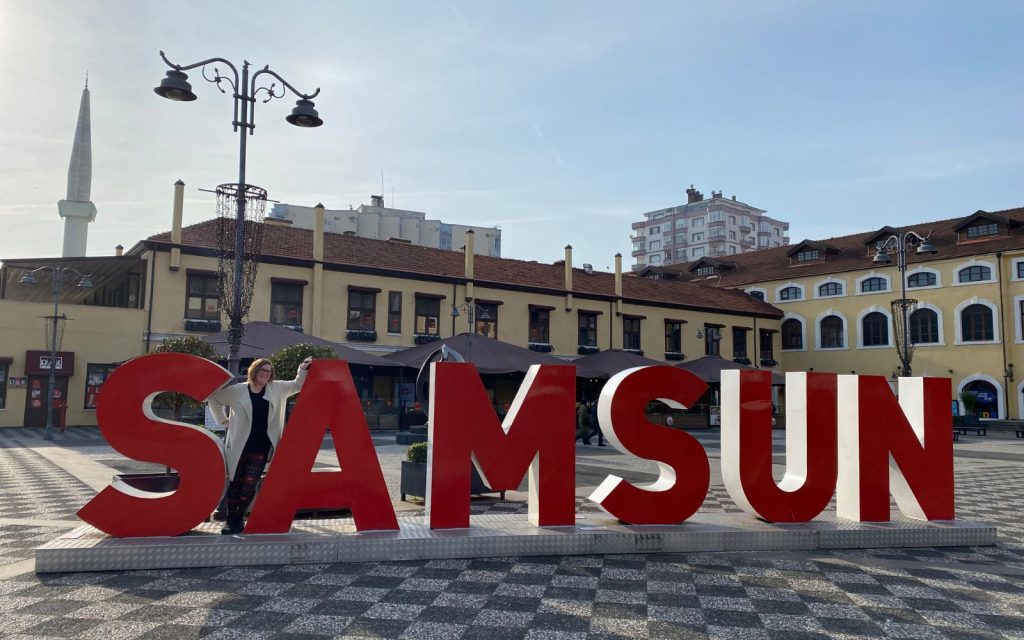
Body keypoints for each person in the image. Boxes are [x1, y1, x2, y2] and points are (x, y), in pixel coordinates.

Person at [208, 356, 312, 534]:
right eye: (262, 370)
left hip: (262, 447)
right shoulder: (237, 391)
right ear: (254, 371)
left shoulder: (276, 389)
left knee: (249, 484)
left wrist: (302, 369)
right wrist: (223, 420)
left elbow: (297, 385)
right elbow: (214, 399)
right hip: (238, 446)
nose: (265, 374)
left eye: (268, 371)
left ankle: (238, 518)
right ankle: (231, 522)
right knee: (235, 484)